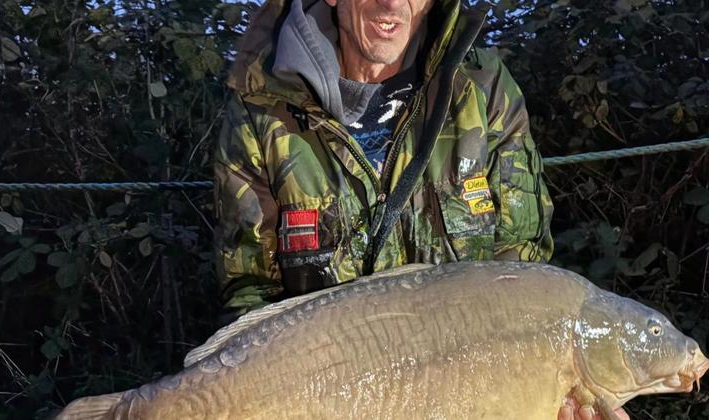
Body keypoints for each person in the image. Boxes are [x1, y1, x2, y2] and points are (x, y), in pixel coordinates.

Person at [214, 0, 627, 418]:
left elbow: (521, 273)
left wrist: (540, 390)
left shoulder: (482, 90)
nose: (392, 3)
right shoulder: (260, 110)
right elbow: (253, 294)